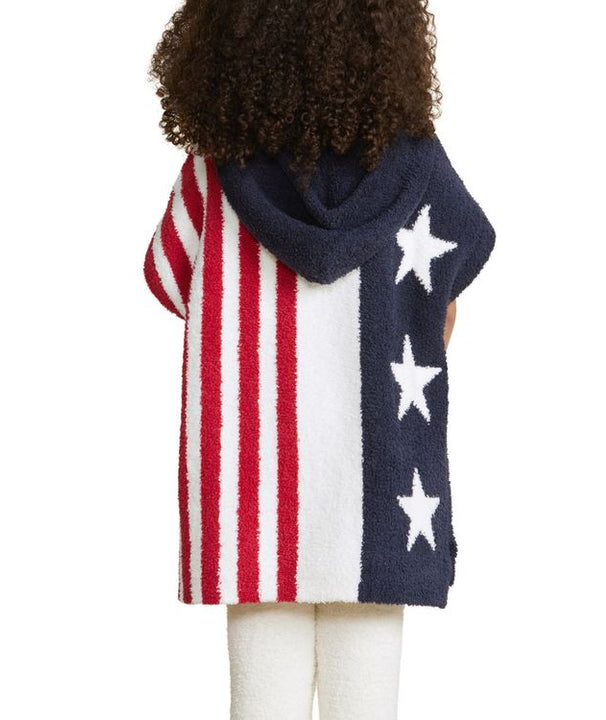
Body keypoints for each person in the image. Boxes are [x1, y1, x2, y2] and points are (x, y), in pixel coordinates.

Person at [142, 1, 495, 718]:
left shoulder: (213, 171)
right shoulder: (419, 167)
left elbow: (169, 278)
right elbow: (453, 282)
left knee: (261, 704)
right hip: (382, 494)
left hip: (252, 497)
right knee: (366, 703)